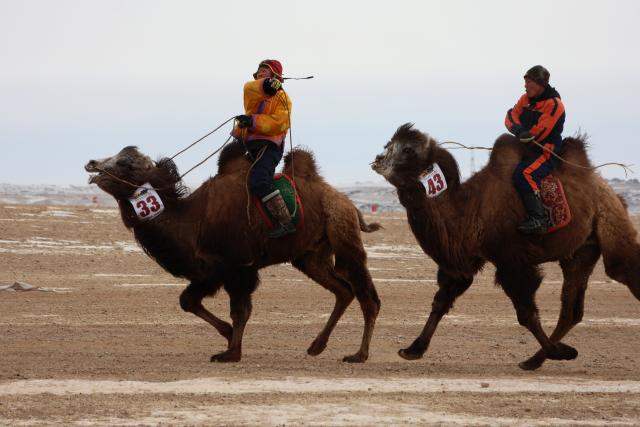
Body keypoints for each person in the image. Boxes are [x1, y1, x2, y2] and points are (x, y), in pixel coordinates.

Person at [231, 59, 295, 238]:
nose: (260, 73)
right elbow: (250, 89)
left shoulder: (283, 99)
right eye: (259, 71)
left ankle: (285, 222)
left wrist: (252, 121)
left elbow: (280, 123)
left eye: (265, 72)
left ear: (275, 75)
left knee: (259, 181)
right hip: (248, 143)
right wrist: (267, 84)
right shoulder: (252, 91)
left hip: (270, 147)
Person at [505, 65, 566, 234]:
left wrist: (525, 134)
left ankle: (538, 219)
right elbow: (511, 115)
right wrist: (518, 130)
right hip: (524, 148)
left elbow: (540, 132)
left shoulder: (555, 105)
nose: (525, 86)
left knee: (524, 173)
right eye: (525, 82)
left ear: (540, 84)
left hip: (545, 151)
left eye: (529, 82)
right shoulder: (525, 99)